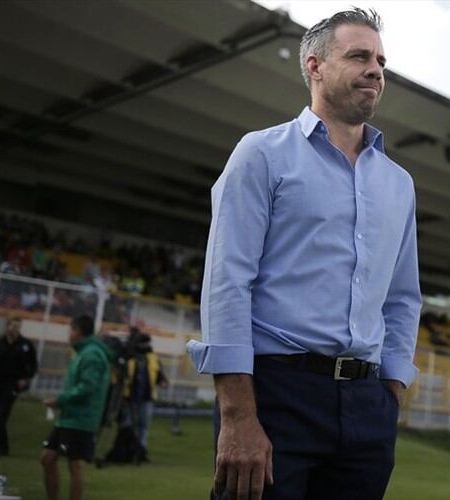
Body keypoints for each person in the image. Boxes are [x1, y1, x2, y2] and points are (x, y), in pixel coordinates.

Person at [186, 8, 421, 500]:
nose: (375, 70)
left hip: (367, 405)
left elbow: (402, 298)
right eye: (359, 56)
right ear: (315, 66)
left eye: (380, 61)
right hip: (275, 394)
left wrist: (391, 391)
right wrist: (238, 415)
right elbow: (227, 282)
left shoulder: (399, 184)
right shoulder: (261, 154)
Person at [40, 315, 113, 500]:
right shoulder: (83, 351)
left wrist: (60, 400)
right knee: (48, 458)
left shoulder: (92, 354)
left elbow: (87, 387)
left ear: (78, 331)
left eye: (71, 330)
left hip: (82, 419)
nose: (68, 334)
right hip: (69, 417)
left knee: (76, 465)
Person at [0, 316, 38, 455]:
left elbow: (33, 365)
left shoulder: (26, 345)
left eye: (18, 327)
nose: (16, 329)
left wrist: (26, 378)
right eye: (13, 326)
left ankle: (3, 448)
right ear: (7, 326)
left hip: (12, 386)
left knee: (1, 417)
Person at [122, 334, 168, 461]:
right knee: (129, 424)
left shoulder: (153, 359)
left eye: (147, 343)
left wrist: (163, 381)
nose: (146, 345)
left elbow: (159, 375)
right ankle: (128, 449)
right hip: (129, 397)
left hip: (146, 398)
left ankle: (141, 451)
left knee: (143, 425)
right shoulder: (130, 358)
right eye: (143, 343)